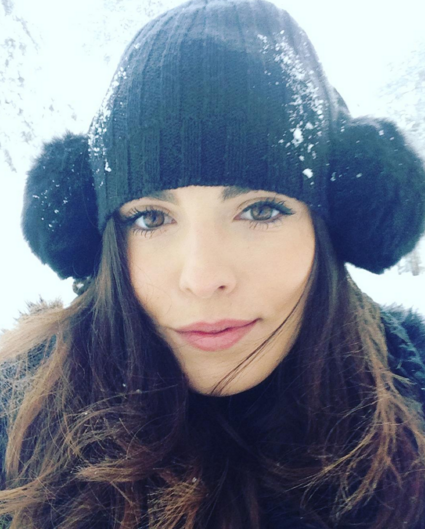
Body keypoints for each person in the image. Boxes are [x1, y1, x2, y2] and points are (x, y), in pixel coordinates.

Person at [1, 0, 425, 527]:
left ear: (335, 224)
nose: (202, 279)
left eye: (261, 210)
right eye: (151, 218)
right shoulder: (19, 425)